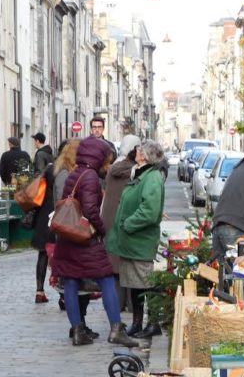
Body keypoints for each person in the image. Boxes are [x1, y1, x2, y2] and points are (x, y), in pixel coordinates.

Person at [51, 136, 138, 347]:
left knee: (71, 281)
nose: (107, 163)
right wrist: (101, 229)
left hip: (68, 237)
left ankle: (77, 331)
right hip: (85, 238)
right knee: (106, 279)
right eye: (106, 158)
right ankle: (116, 329)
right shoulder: (90, 176)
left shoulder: (75, 173)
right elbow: (90, 210)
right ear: (97, 156)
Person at [106, 140, 166, 339]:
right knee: (134, 283)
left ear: (145, 156)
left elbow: (149, 210)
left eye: (139, 150)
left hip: (140, 240)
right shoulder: (140, 174)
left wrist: (128, 224)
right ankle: (137, 323)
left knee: (146, 283)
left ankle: (153, 323)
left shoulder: (152, 177)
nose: (136, 152)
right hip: (131, 241)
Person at [51, 138, 98, 339]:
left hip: (74, 233)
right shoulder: (65, 174)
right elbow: (64, 206)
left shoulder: (71, 172)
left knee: (80, 284)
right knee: (74, 284)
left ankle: (80, 325)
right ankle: (77, 326)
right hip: (72, 234)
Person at [101, 134, 142, 310]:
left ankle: (118, 304)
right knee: (128, 264)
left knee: (115, 265)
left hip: (110, 219)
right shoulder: (133, 171)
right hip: (125, 220)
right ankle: (131, 305)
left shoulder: (115, 166)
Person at [31, 160, 55, 304]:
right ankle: (64, 296)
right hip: (56, 215)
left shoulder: (47, 171)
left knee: (43, 254)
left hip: (42, 216)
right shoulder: (63, 171)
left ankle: (39, 291)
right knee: (60, 255)